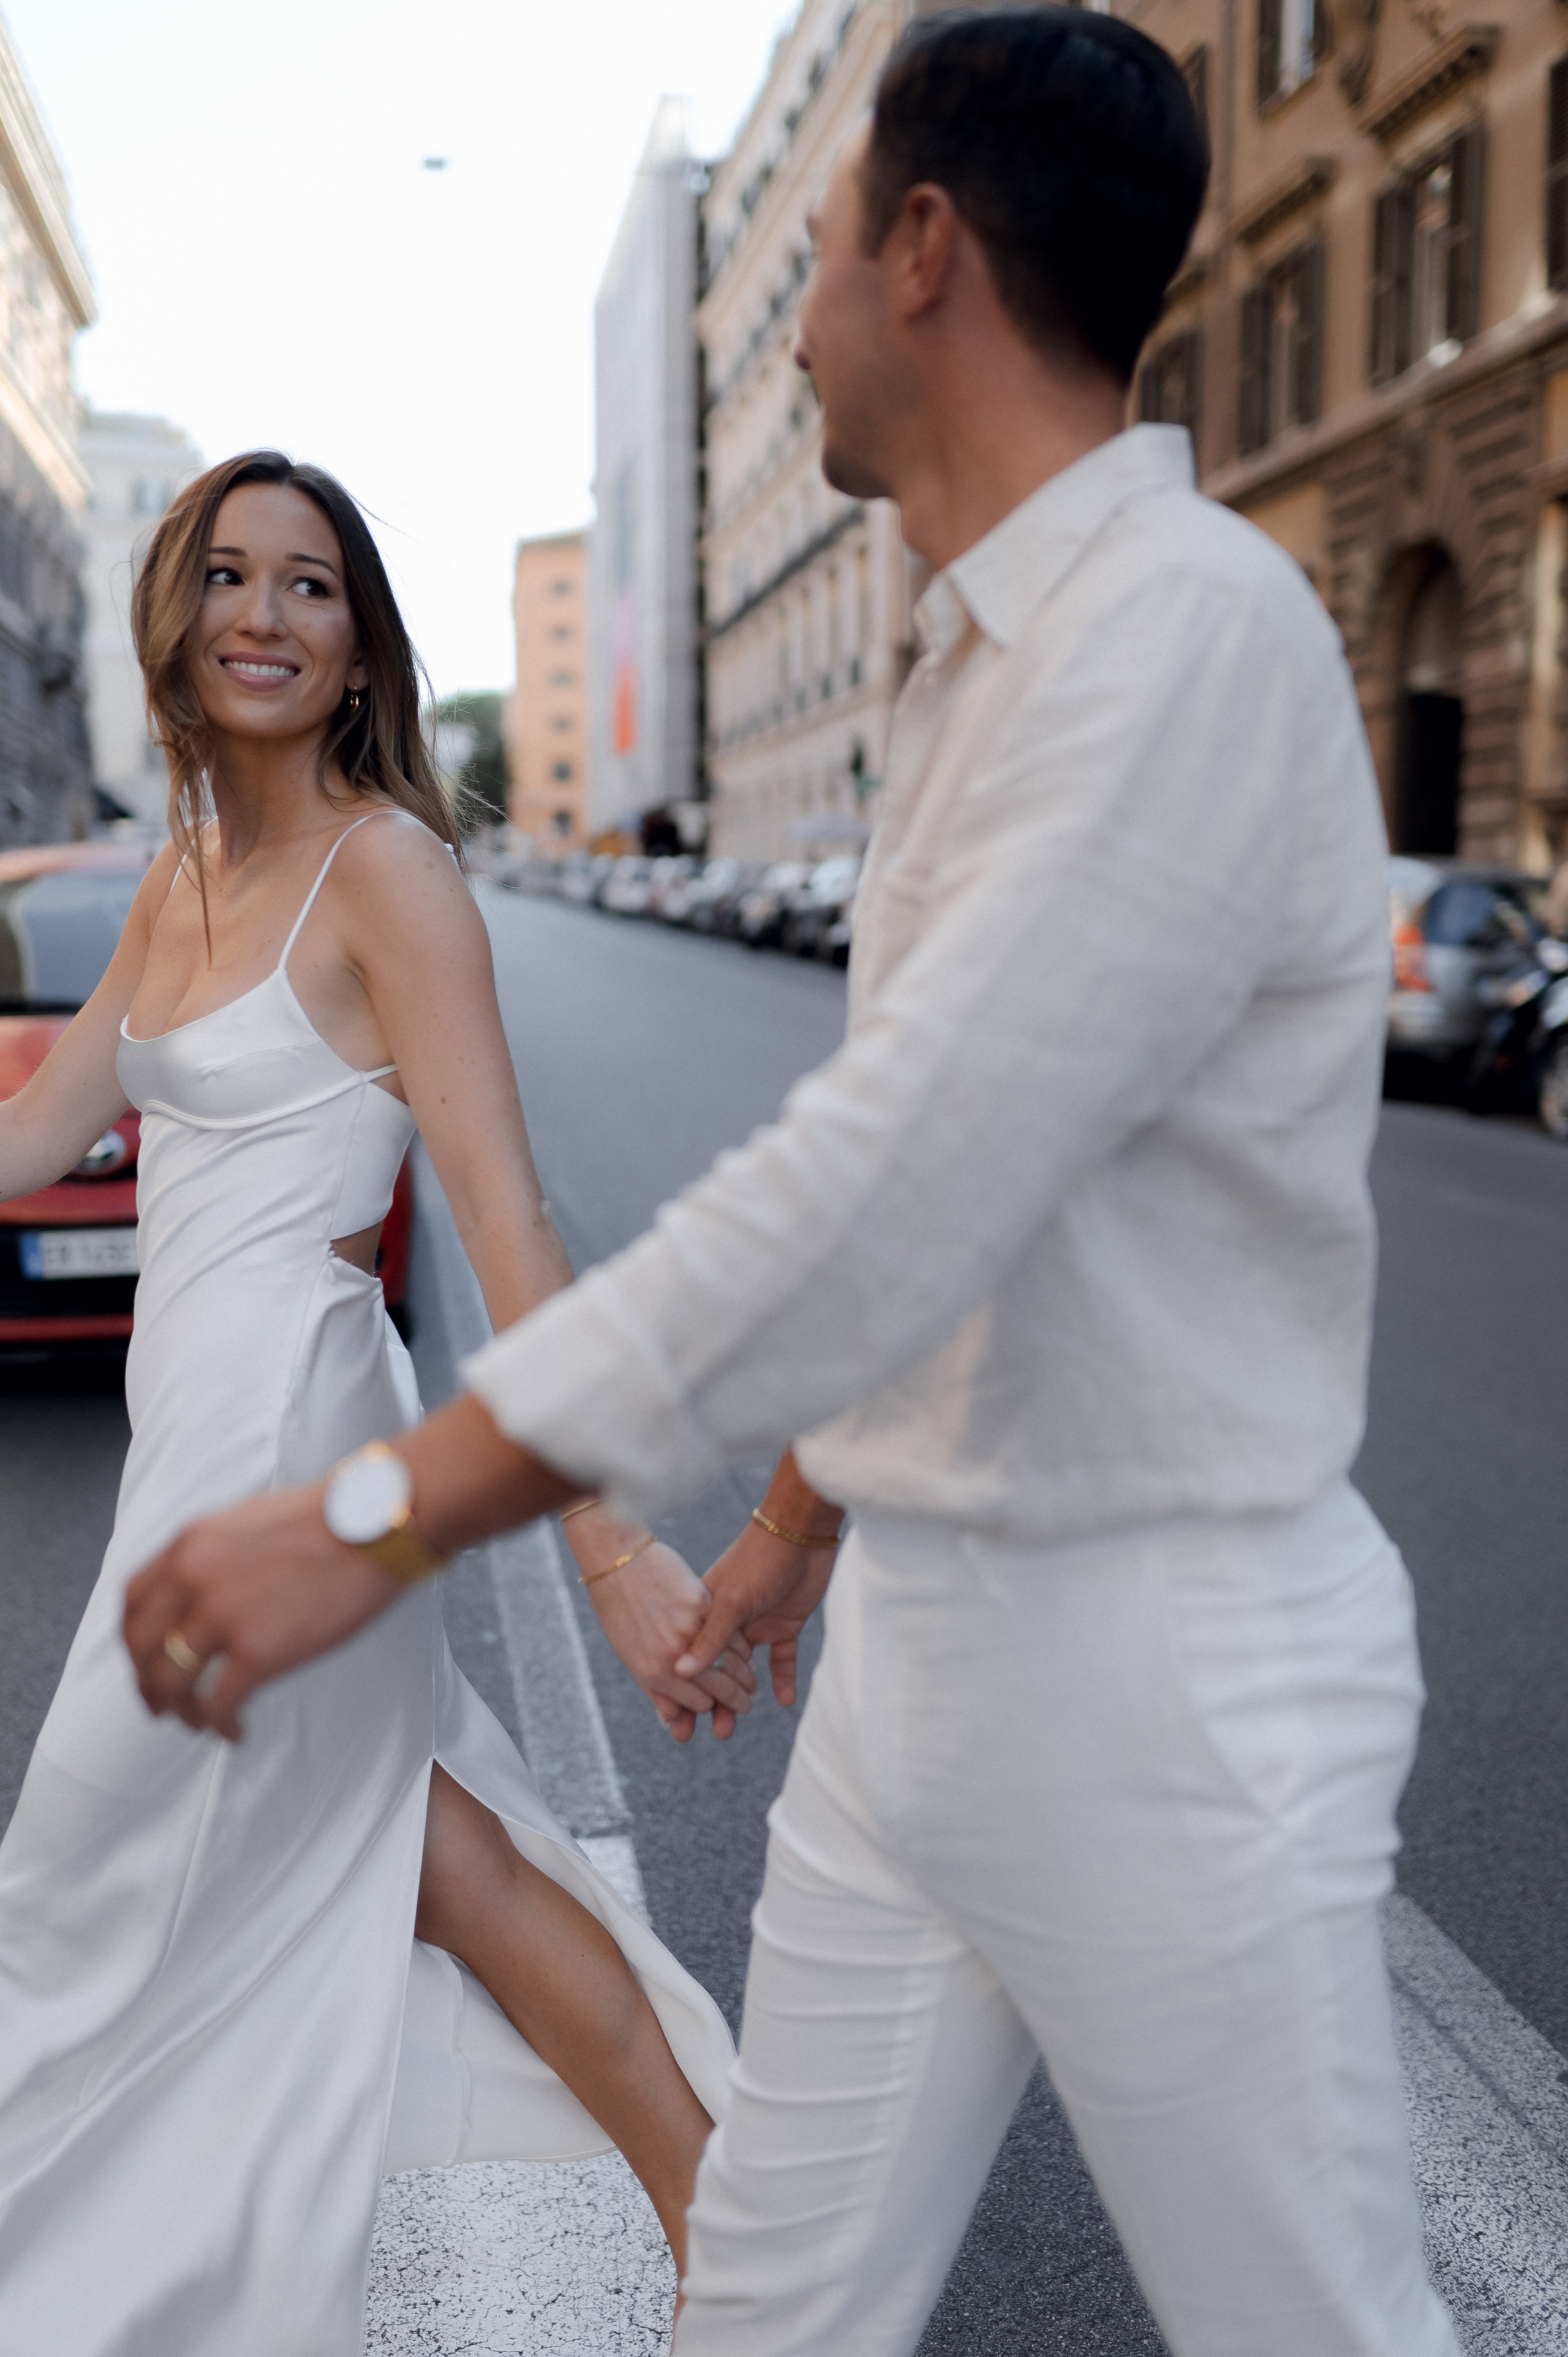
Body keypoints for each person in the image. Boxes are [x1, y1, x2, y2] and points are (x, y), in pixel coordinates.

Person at [124, 15, 1464, 2357]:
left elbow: (898, 1178)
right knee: (766, 2299)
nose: (800, 313)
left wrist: (380, 1514)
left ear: (921, 254)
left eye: (821, 246)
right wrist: (794, 1532)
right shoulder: (968, 661)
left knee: (1315, 2325)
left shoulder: (1182, 636)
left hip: (1164, 1669)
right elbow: (991, 1223)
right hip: (924, 1663)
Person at [0, 450, 745, 2356]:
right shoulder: (179, 877)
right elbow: (32, 1140)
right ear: (172, 619)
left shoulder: (387, 871)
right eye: (228, 575)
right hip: (192, 1424)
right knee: (413, 1845)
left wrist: (603, 1543)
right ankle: (731, 2233)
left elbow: (506, 1220)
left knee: (93, 1859)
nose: (264, 613)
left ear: (356, 649)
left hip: (292, 1427)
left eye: (310, 584)